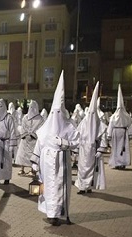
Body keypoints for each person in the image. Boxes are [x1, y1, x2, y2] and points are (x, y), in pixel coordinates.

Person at [30, 71, 80, 226]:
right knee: (48, 187)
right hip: (46, 162)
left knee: (59, 187)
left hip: (61, 162)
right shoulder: (46, 127)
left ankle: (58, 213)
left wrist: (63, 143)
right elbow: (40, 143)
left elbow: (77, 142)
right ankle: (51, 213)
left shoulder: (68, 126)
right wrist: (34, 162)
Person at [74, 82, 109, 194]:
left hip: (93, 149)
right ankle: (81, 187)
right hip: (83, 149)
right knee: (82, 168)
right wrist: (76, 149)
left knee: (91, 170)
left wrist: (100, 150)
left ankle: (88, 187)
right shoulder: (83, 123)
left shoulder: (99, 124)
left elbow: (103, 138)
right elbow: (77, 135)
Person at [0, 98, 17, 185]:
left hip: (6, 143)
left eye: (0, 106)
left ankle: (6, 178)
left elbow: (12, 131)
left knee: (6, 162)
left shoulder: (9, 118)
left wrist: (12, 145)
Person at [107, 85, 132, 170]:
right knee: (121, 148)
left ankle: (119, 163)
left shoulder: (114, 116)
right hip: (123, 133)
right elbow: (130, 125)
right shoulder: (126, 116)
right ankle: (120, 163)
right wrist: (130, 134)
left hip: (117, 132)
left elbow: (110, 125)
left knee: (120, 148)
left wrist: (109, 135)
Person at [15, 100, 44, 176]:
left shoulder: (40, 119)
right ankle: (22, 169)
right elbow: (23, 126)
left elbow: (40, 129)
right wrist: (25, 134)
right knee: (23, 155)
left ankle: (32, 170)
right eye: (30, 107)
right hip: (25, 139)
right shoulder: (25, 117)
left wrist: (33, 134)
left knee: (33, 155)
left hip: (34, 140)